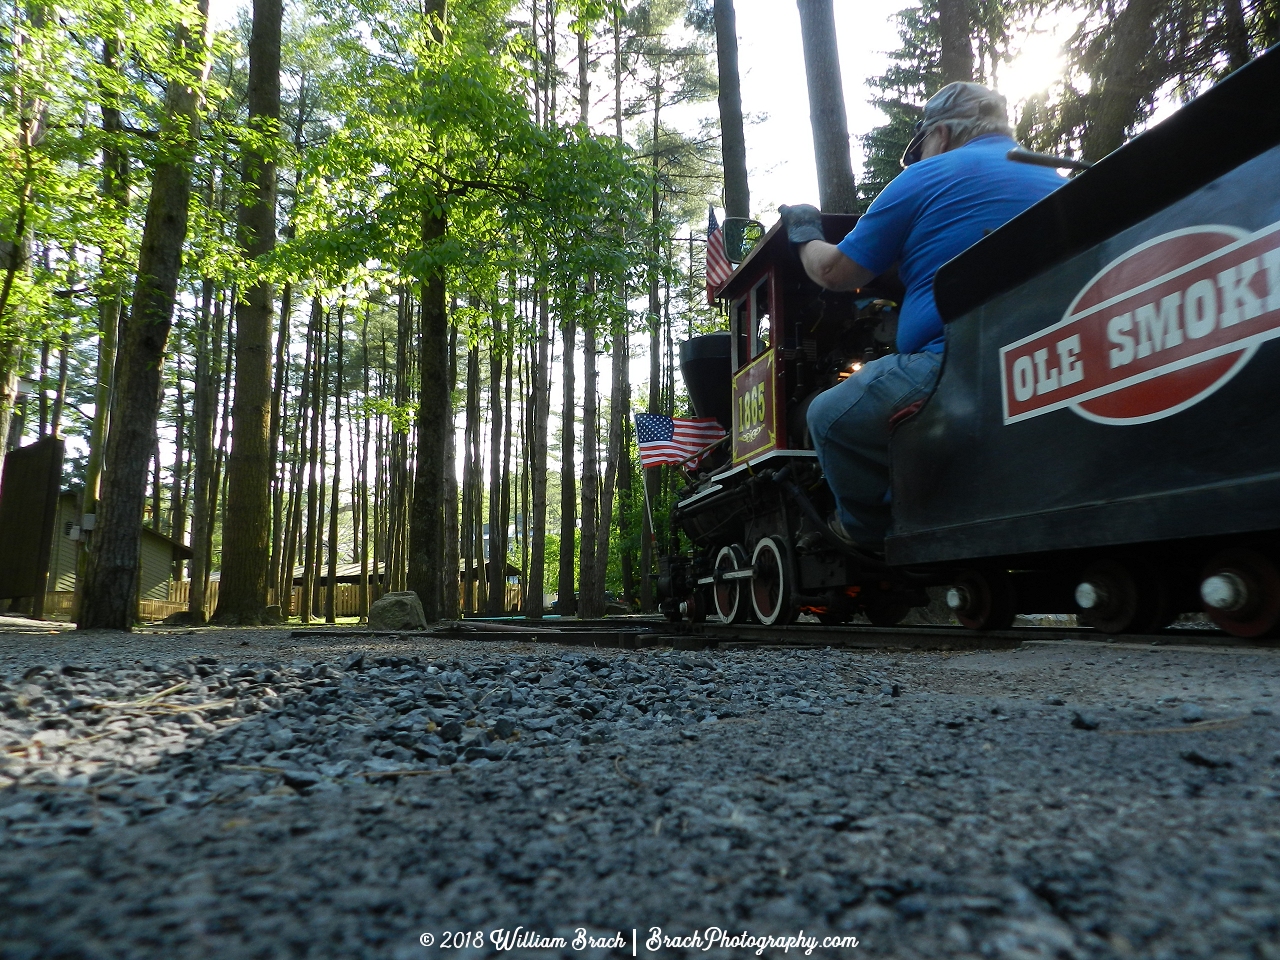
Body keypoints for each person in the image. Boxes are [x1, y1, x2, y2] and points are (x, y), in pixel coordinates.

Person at [780, 81, 1065, 552]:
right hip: (1052, 357)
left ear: (945, 133)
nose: (919, 157)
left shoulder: (926, 177)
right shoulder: (1053, 179)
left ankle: (872, 534)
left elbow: (833, 272)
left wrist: (804, 234)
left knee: (828, 415)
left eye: (923, 144)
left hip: (954, 367)